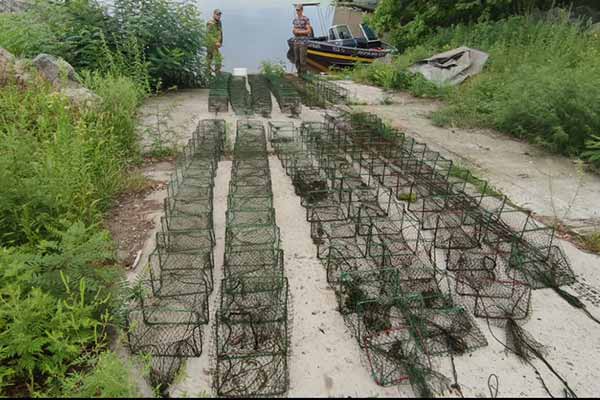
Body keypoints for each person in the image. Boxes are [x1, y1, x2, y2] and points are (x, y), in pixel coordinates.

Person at [292, 4, 313, 77]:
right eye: (297, 10)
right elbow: (294, 30)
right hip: (296, 42)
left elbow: (309, 31)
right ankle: (299, 73)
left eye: (299, 10)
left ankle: (304, 75)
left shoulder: (305, 19)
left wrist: (299, 32)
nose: (298, 11)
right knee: (297, 59)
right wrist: (297, 31)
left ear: (302, 10)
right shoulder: (295, 20)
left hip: (303, 42)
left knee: (302, 60)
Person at [207, 9, 223, 75]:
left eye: (219, 15)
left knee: (211, 58)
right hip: (211, 44)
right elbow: (209, 34)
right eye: (217, 14)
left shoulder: (219, 22)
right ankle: (211, 72)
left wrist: (220, 42)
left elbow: (220, 32)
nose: (218, 16)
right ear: (214, 14)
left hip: (216, 44)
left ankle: (214, 72)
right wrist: (216, 42)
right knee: (215, 58)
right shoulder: (210, 23)